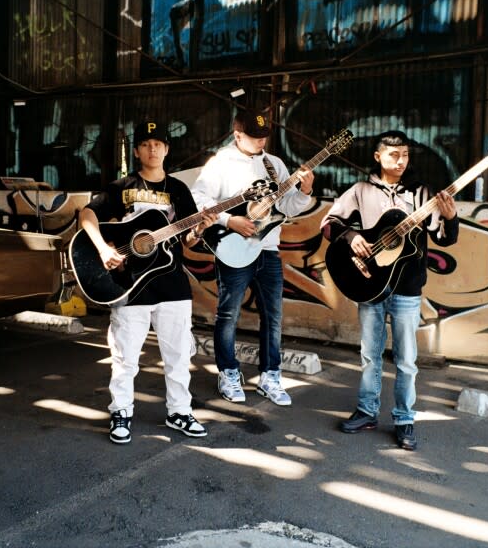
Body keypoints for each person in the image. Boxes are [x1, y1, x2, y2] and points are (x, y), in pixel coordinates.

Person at [78, 120, 217, 445]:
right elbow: (87, 215)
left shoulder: (179, 191)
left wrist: (200, 229)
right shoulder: (120, 187)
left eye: (159, 144)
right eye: (146, 144)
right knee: (126, 358)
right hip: (129, 284)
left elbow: (190, 243)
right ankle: (121, 411)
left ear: (167, 149)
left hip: (172, 285)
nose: (153, 149)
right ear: (137, 150)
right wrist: (102, 247)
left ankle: (179, 411)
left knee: (179, 356)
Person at [320, 130, 459, 451]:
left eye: (406, 155)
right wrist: (351, 236)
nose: (401, 161)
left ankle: (404, 419)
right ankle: (367, 412)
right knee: (370, 355)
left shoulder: (422, 193)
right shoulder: (360, 190)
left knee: (407, 358)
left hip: (407, 288)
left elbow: (444, 238)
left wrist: (450, 219)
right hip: (369, 284)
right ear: (378, 156)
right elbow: (329, 223)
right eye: (394, 155)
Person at [191, 109, 314, 406]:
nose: (261, 142)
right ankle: (228, 372)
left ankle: (271, 375)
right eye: (254, 137)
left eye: (264, 137)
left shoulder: (275, 164)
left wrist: (305, 190)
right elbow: (198, 198)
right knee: (229, 314)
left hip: (269, 249)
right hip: (232, 247)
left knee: (273, 316)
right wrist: (228, 221)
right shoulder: (219, 163)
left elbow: (289, 207)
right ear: (237, 135)